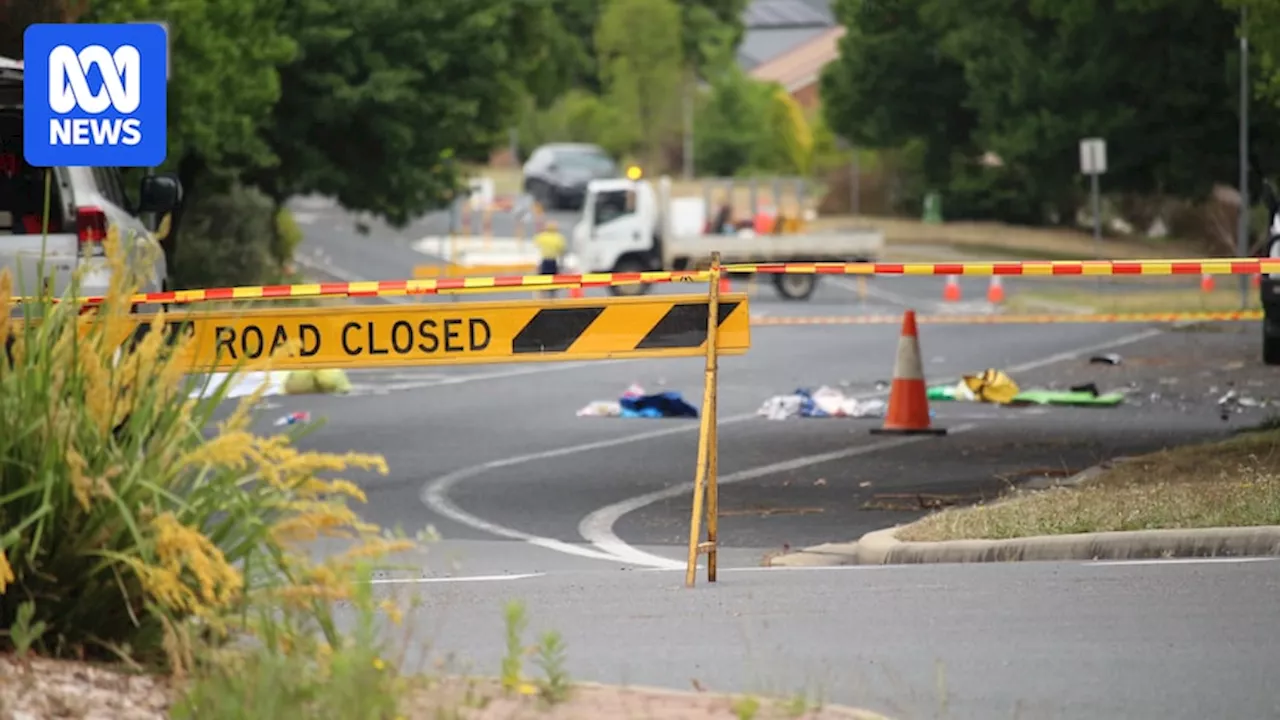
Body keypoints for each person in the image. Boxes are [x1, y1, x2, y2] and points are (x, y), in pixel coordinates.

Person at [533, 220, 568, 298]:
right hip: (553, 262)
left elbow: (535, 245)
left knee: (542, 282)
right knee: (553, 282)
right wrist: (562, 264)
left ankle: (541, 297)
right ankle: (553, 298)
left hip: (544, 262)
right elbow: (562, 251)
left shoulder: (542, 236)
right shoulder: (558, 237)